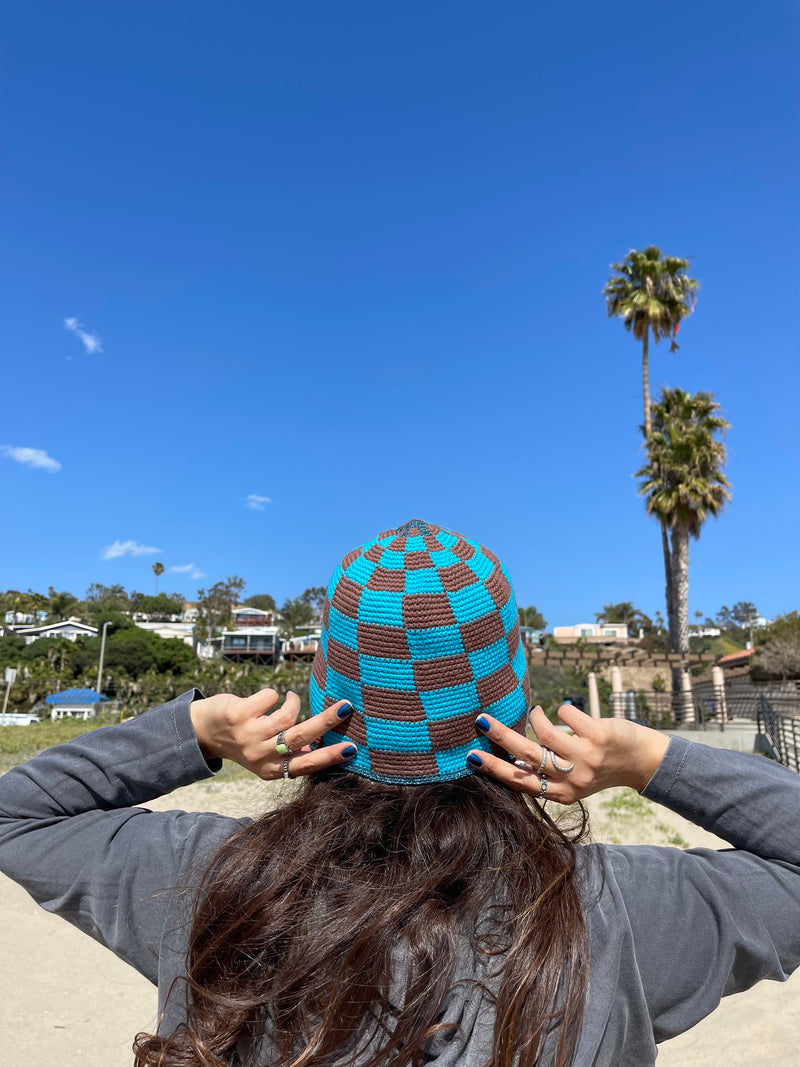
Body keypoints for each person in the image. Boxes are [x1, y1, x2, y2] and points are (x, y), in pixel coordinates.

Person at [0, 517, 799, 1067]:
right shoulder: (611, 908)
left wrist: (196, 735)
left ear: (321, 703)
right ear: (515, 707)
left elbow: (16, 811)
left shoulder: (211, 877)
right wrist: (652, 760)